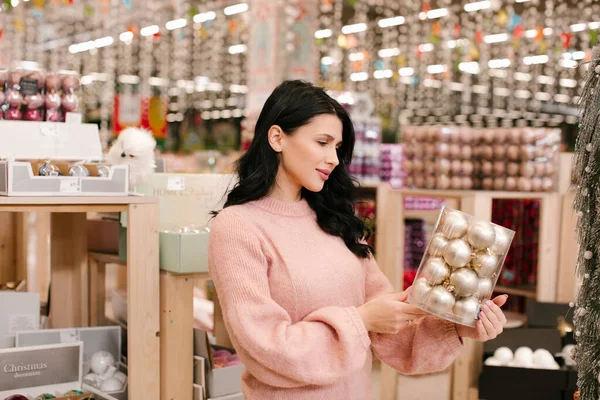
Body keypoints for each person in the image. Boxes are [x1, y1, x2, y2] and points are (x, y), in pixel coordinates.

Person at [208, 80, 507, 400]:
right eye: (322, 142)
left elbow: (397, 341)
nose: (334, 159)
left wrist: (457, 325)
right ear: (277, 137)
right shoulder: (238, 227)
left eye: (337, 147)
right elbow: (266, 349)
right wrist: (361, 320)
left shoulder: (336, 223)